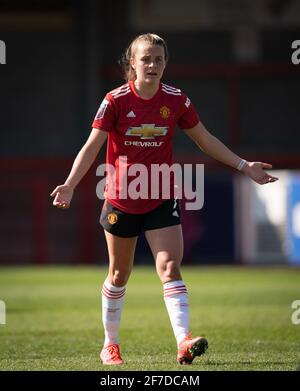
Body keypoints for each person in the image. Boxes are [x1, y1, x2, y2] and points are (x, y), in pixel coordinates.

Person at [51, 33, 278, 366]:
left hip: (160, 197)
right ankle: (109, 345)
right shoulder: (114, 100)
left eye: (158, 60)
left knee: (170, 268)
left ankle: (183, 341)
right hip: (121, 200)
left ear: (165, 64)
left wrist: (245, 166)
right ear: (132, 62)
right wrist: (70, 184)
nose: (152, 65)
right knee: (118, 275)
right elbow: (91, 147)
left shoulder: (176, 100)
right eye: (145, 59)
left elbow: (206, 140)